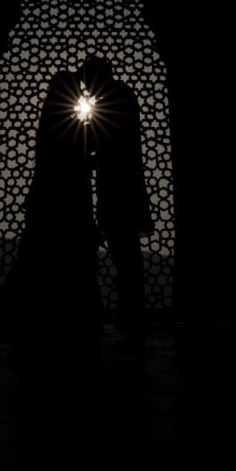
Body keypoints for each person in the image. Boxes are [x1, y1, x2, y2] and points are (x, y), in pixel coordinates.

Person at [1, 70, 103, 326]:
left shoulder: (52, 117)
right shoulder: (61, 119)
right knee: (64, 254)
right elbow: (72, 156)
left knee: (44, 254)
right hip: (64, 197)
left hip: (52, 194)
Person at [78, 57, 154, 328]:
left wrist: (84, 155)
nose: (87, 87)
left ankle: (131, 310)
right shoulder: (115, 96)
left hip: (120, 184)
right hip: (119, 181)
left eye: (88, 80)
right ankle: (131, 308)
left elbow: (111, 143)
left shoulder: (115, 97)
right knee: (124, 246)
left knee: (124, 247)